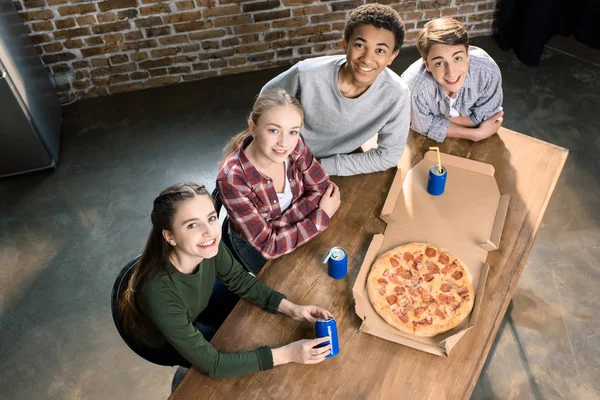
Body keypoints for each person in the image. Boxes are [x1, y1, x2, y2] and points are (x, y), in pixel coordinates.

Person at [119, 183, 334, 380]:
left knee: (253, 332)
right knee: (236, 363)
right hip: (164, 340)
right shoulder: (158, 292)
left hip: (194, 305)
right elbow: (215, 364)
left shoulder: (209, 246)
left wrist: (292, 308)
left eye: (211, 218)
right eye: (192, 225)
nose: (209, 232)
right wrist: (290, 353)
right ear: (170, 237)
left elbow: (239, 279)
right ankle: (183, 379)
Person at [260, 3, 410, 177]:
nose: (367, 59)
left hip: (334, 165)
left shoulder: (397, 94)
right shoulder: (306, 74)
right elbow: (263, 104)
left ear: (393, 55)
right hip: (283, 156)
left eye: (380, 50)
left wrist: (319, 168)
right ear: (345, 44)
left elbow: (388, 156)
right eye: (360, 45)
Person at [217, 89, 340, 274]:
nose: (284, 143)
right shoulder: (232, 180)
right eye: (274, 130)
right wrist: (320, 216)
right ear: (253, 127)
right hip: (254, 248)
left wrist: (276, 228)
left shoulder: (295, 144)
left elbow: (322, 188)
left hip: (295, 232)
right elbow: (269, 246)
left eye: (293, 131)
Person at [401, 17, 505, 143]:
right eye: (439, 63)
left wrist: (450, 121)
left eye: (457, 58)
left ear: (467, 54)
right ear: (427, 64)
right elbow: (421, 125)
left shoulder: (487, 72)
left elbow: (489, 117)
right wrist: (475, 134)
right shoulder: (415, 86)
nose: (451, 73)